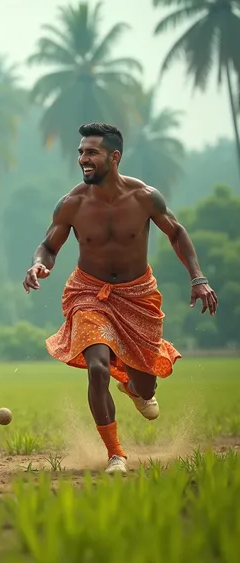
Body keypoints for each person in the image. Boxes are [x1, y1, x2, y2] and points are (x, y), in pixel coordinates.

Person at [23, 122, 218, 475]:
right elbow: (49, 246)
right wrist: (39, 265)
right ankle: (116, 454)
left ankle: (133, 383)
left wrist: (198, 277)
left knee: (146, 388)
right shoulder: (71, 203)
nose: (83, 158)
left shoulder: (145, 196)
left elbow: (176, 233)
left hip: (137, 295)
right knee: (97, 369)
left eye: (91, 152)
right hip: (88, 293)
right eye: (81, 151)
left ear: (114, 157)